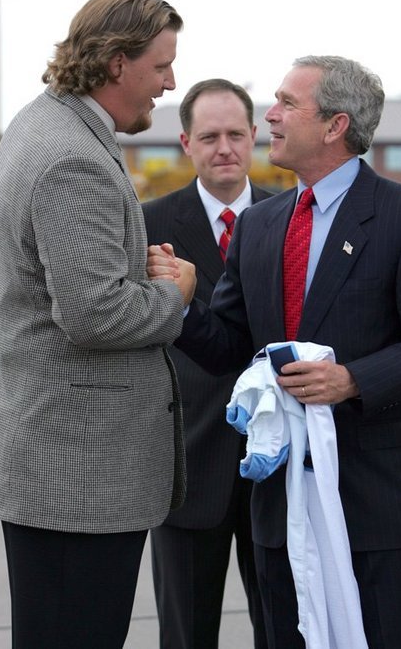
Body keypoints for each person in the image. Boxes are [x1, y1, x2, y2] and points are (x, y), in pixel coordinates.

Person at [147, 55, 401, 649]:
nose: (270, 115)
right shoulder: (262, 226)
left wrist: (353, 379)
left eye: (286, 104)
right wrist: (183, 303)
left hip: (374, 495)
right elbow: (230, 349)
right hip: (282, 500)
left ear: (335, 125)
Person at [0, 0, 196, 649]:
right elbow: (96, 316)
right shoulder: (74, 160)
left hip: (58, 469)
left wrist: (130, 268)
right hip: (81, 480)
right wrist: (173, 294)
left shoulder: (43, 124)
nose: (169, 82)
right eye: (161, 65)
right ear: (116, 62)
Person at [142, 78, 271, 649]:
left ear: (255, 139)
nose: (225, 147)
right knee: (186, 635)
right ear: (186, 143)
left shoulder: (291, 216)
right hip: (186, 464)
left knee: (285, 628)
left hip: (279, 462)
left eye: (236, 134)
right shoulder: (146, 224)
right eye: (210, 136)